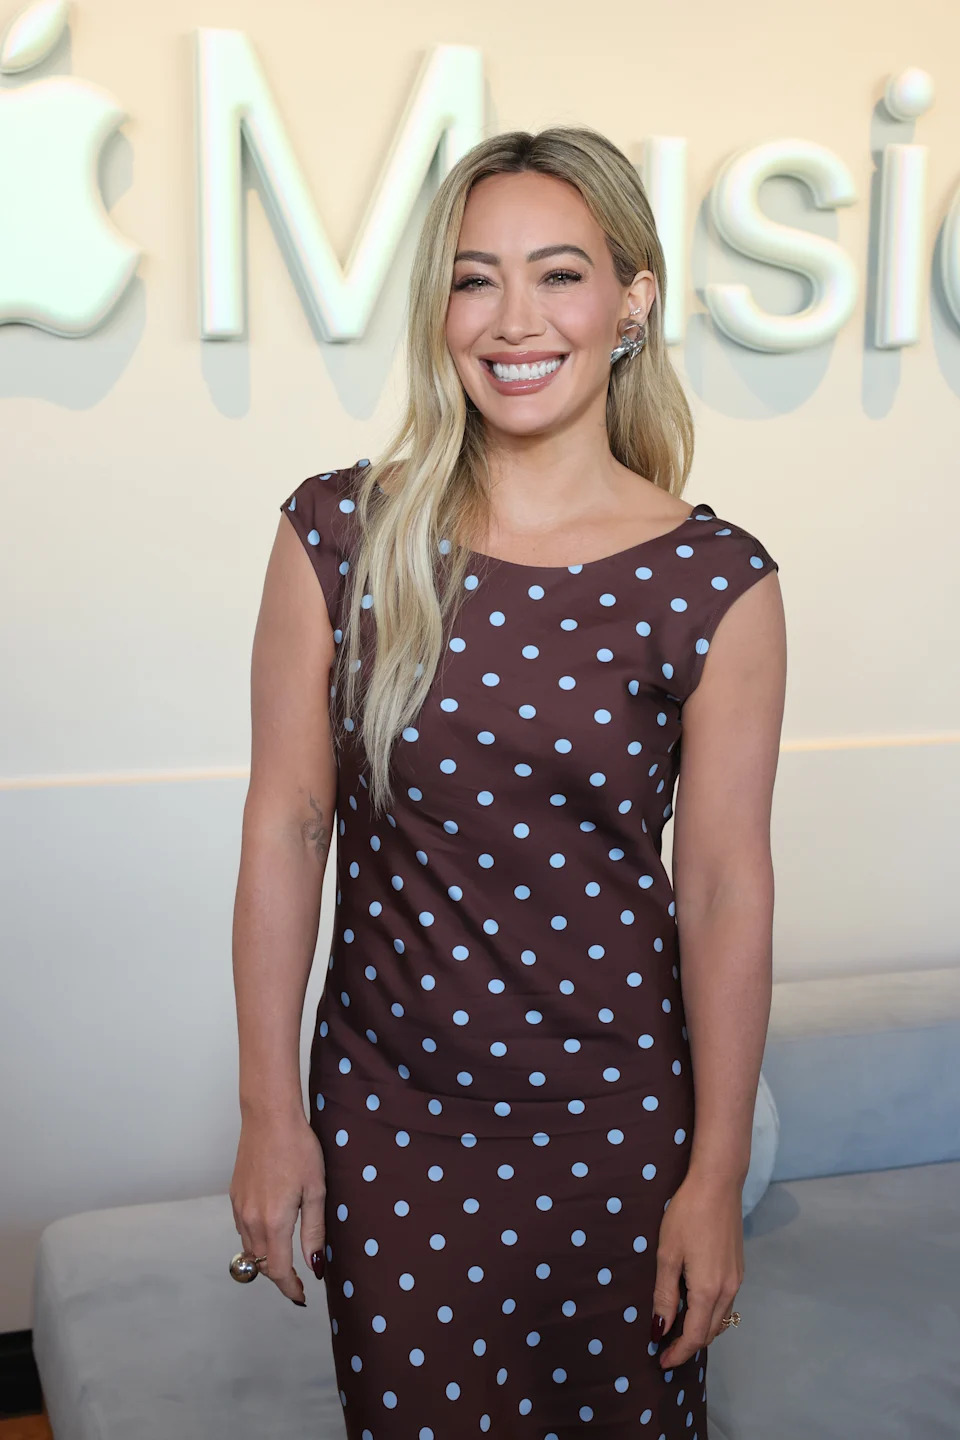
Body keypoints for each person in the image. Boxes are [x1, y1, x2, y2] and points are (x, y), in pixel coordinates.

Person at [229, 124, 787, 1438]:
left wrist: (715, 1177)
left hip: (618, 1123)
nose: (514, 319)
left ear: (632, 302)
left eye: (559, 274)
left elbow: (719, 894)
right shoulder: (336, 533)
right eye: (476, 278)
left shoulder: (716, 585)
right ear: (440, 308)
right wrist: (270, 1115)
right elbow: (288, 823)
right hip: (394, 1116)